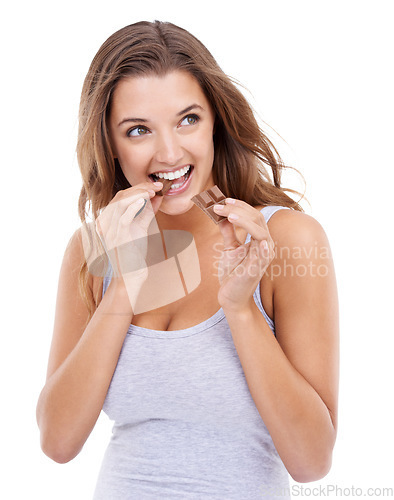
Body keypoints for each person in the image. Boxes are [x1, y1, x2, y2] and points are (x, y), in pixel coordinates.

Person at [36, 20, 339, 499]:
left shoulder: (287, 240)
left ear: (216, 120)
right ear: (111, 146)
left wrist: (241, 309)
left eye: (188, 119)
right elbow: (57, 441)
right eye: (138, 130)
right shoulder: (94, 249)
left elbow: (311, 461)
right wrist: (125, 280)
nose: (170, 152)